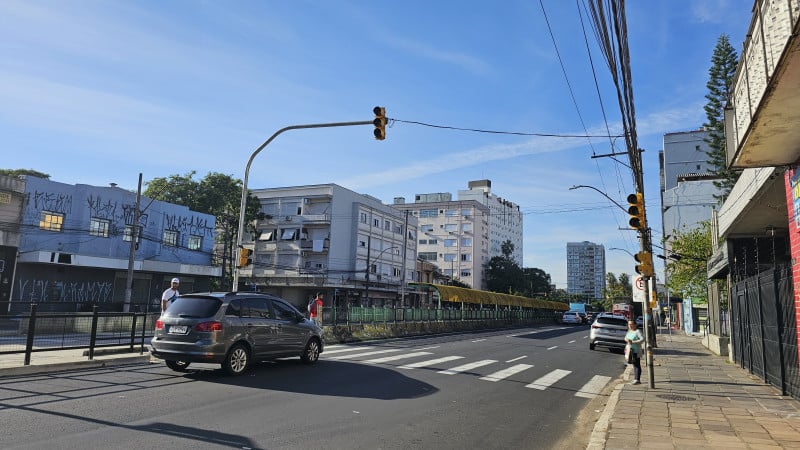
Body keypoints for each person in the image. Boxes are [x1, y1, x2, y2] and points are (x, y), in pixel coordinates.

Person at [625, 319, 645, 385]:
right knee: (633, 364)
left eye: (631, 324)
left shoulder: (637, 331)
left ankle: (637, 379)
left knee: (636, 364)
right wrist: (626, 339)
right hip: (629, 350)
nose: (630, 326)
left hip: (636, 351)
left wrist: (633, 342)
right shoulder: (629, 331)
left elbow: (642, 339)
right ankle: (636, 378)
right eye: (629, 324)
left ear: (635, 325)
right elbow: (626, 338)